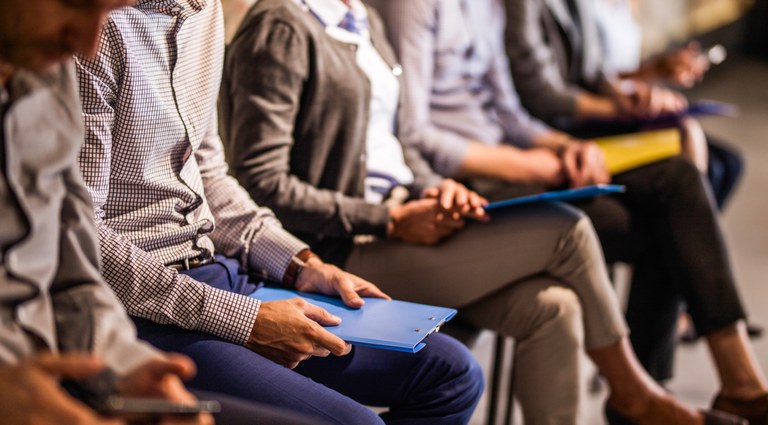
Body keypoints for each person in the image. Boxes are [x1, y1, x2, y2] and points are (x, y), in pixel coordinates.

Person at [219, 0, 748, 424]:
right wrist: (392, 219)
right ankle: (634, 394)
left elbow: (401, 146)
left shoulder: (362, 17)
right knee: (569, 231)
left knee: (554, 306)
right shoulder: (283, 23)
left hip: (407, 213)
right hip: (347, 247)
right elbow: (261, 180)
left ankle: (646, 394)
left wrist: (441, 190)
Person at [73, 0, 484, 424]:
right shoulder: (92, 30)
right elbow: (82, 239)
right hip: (141, 304)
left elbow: (210, 173)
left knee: (452, 373)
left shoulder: (203, 11)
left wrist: (299, 264)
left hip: (218, 269)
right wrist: (243, 320)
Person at [369, 0, 768, 423]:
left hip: (512, 160)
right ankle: (662, 393)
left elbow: (509, 112)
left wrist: (565, 146)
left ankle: (690, 388)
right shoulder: (413, 5)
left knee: (678, 184)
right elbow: (414, 133)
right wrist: (534, 164)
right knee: (666, 217)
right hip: (466, 182)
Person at [0, 0, 323, 424]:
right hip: (126, 310)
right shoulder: (71, 58)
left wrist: (129, 370)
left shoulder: (46, 76)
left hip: (79, 347)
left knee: (436, 364)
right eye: (75, 5)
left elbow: (71, 268)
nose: (90, 42)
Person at [502, 0, 742, 209]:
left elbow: (595, 69)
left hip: (596, 108)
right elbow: (543, 94)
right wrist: (623, 108)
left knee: (725, 161)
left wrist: (628, 95)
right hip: (563, 122)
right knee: (685, 161)